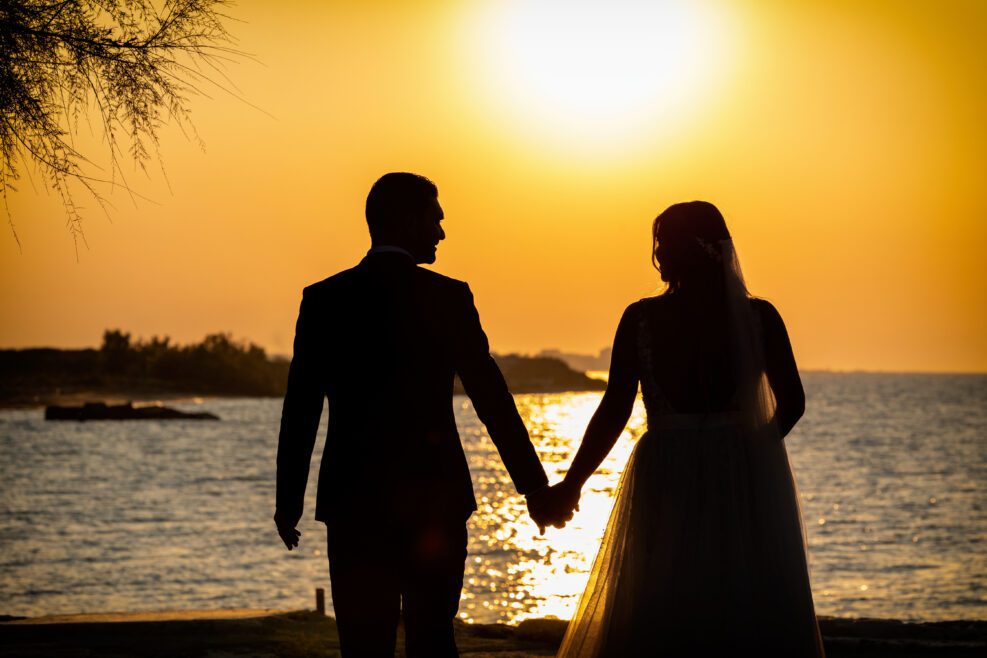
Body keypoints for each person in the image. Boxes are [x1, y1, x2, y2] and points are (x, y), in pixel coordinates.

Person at [274, 173, 563, 658]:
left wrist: (288, 502)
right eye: (435, 219)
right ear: (407, 220)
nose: (441, 233)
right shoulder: (448, 297)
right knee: (433, 639)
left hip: (355, 504)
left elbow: (301, 408)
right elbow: (491, 398)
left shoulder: (325, 299)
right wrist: (534, 488)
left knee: (363, 647)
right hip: (436, 502)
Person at [540, 201, 826, 656]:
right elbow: (793, 403)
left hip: (666, 467)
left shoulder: (640, 318)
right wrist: (751, 453)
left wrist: (571, 485)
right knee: (740, 585)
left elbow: (615, 408)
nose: (659, 253)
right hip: (738, 472)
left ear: (687, 249)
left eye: (664, 242)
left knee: (660, 587)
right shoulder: (760, 317)